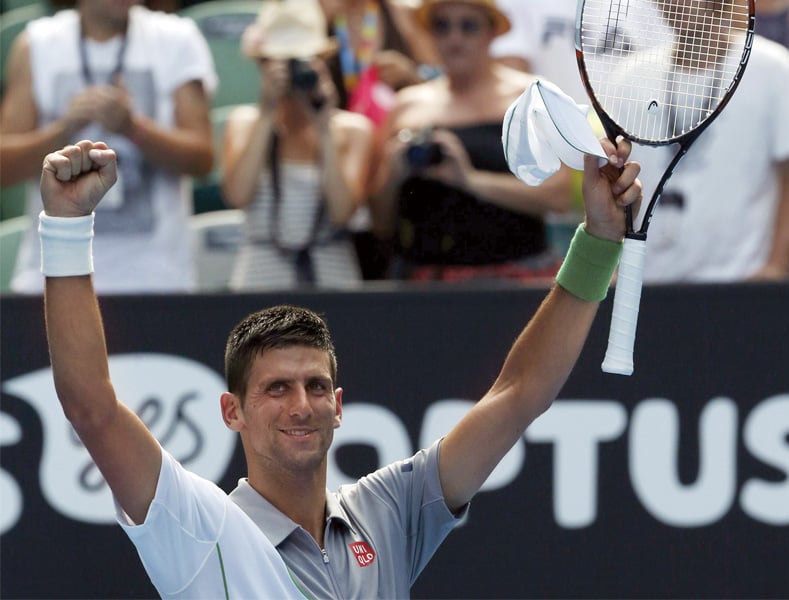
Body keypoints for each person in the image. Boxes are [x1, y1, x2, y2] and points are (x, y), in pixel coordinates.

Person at [39, 133, 641, 596]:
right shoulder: (199, 527)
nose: (301, 405)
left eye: (316, 386)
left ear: (338, 405)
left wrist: (598, 240)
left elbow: (519, 393)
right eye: (275, 389)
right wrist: (66, 227)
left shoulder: (390, 509)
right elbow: (91, 406)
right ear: (232, 411)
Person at [0, 0, 216, 294]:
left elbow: (202, 160)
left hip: (157, 282)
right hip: (51, 280)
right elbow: (4, 166)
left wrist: (133, 128)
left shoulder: (178, 37)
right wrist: (63, 130)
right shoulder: (36, 43)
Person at [369, 0, 573, 282]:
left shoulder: (527, 96)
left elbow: (558, 195)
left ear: (492, 33)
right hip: (426, 281)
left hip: (516, 276)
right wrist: (394, 174)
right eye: (442, 26)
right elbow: (380, 223)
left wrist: (469, 180)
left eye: (468, 25)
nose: (455, 38)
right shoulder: (408, 106)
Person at [634, 0, 789, 283]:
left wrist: (776, 265)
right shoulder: (630, 76)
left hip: (742, 286)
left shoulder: (774, 67)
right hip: (646, 284)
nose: (680, 4)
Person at [221, 0, 373, 290]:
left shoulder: (352, 130)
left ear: (321, 63)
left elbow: (342, 213)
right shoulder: (245, 123)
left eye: (299, 61)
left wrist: (324, 125)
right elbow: (238, 195)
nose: (291, 74)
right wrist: (267, 112)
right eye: (280, 61)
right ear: (262, 64)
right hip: (260, 279)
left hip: (332, 277)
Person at [318, 0, 443, 280]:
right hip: (330, 169)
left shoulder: (403, 14)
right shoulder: (310, 13)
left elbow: (447, 90)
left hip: (391, 178)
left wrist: (413, 76)